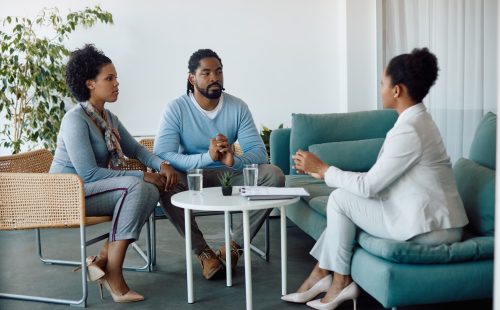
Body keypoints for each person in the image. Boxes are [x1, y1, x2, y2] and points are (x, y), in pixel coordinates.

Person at [281, 48, 469, 310]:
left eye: (383, 82)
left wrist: (325, 169)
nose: (380, 87)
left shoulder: (410, 130)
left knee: (340, 201)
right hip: (428, 219)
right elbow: (377, 179)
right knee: (343, 202)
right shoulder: (416, 121)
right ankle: (323, 273)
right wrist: (323, 172)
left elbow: (369, 187)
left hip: (431, 229)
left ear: (397, 90)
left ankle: (338, 280)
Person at [49, 44, 178, 303]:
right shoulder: (75, 120)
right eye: (109, 78)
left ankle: (105, 260)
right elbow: (87, 173)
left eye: (116, 77)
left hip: (91, 189)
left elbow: (136, 150)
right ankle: (114, 274)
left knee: (150, 187)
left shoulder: (108, 118)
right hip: (66, 194)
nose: (117, 83)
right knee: (139, 186)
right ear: (90, 84)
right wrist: (142, 176)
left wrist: (161, 164)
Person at [154, 49, 285, 280]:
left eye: (218, 72)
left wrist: (233, 160)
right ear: (192, 78)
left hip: (230, 174)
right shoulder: (176, 108)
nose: (214, 78)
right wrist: (208, 157)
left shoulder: (238, 107)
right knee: (165, 182)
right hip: (192, 176)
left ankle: (234, 248)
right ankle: (203, 253)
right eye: (206, 73)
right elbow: (163, 153)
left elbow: (259, 154)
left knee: (273, 175)